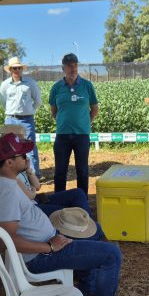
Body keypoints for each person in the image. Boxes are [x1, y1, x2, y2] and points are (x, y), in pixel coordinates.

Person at [0, 133, 132, 296]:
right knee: (111, 255)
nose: (27, 157)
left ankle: (88, 289)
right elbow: (7, 240)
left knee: (91, 234)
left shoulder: (5, 181)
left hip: (45, 244)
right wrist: (51, 247)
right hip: (41, 254)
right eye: (23, 155)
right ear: (9, 162)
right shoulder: (7, 192)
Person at [48, 53, 98, 194]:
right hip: (62, 136)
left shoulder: (87, 86)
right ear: (63, 67)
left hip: (82, 135)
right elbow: (54, 111)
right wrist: (64, 122)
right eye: (69, 66)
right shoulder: (56, 88)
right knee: (60, 172)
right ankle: (59, 201)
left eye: (75, 65)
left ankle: (82, 201)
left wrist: (85, 122)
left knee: (82, 171)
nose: (73, 68)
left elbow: (94, 109)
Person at [0, 56, 42, 176]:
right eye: (14, 68)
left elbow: (38, 101)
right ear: (10, 70)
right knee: (10, 149)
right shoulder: (5, 85)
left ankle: (34, 175)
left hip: (26, 120)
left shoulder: (30, 83)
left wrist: (28, 110)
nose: (17, 70)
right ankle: (17, 175)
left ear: (22, 69)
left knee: (29, 149)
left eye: (19, 68)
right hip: (10, 119)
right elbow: (4, 102)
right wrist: (11, 111)